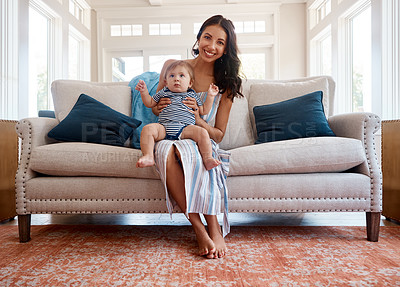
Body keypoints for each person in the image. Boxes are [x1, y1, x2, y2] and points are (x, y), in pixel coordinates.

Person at [152, 15, 243, 259]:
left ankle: (214, 226)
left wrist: (199, 120)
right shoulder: (174, 66)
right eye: (207, 37)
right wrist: (158, 108)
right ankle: (198, 227)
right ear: (199, 37)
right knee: (165, 151)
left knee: (199, 153)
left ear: (226, 49)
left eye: (220, 42)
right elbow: (158, 103)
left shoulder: (226, 84)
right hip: (170, 134)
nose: (212, 46)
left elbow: (219, 134)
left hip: (197, 135)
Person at [135, 60, 221, 170]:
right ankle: (148, 156)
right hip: (164, 128)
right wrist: (144, 92)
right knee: (148, 129)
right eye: (172, 76)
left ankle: (208, 158)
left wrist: (210, 96)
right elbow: (150, 103)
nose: (176, 79)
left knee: (202, 133)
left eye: (181, 76)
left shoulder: (192, 94)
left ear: (190, 83)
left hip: (185, 129)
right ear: (166, 82)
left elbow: (204, 110)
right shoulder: (164, 92)